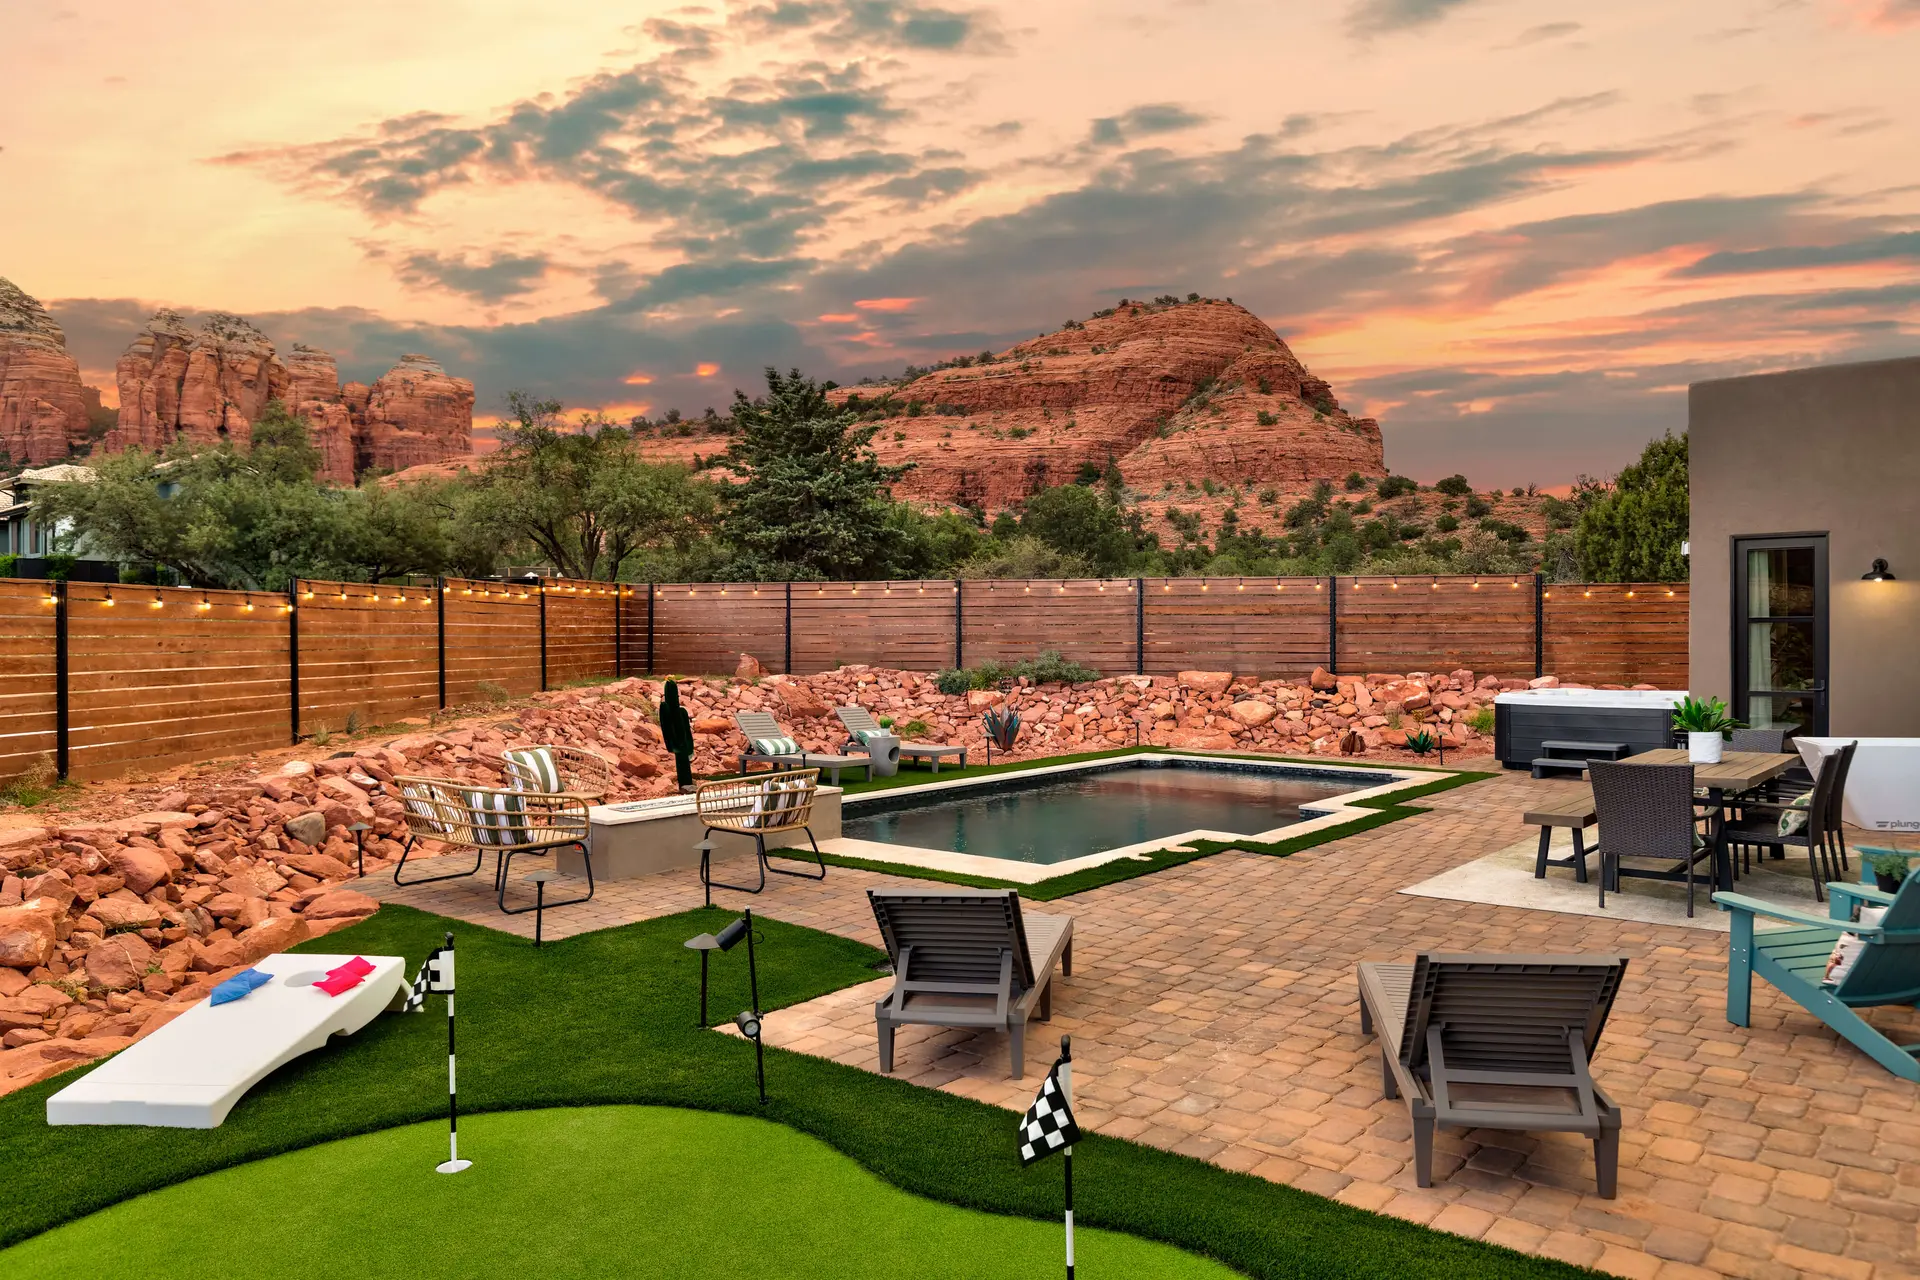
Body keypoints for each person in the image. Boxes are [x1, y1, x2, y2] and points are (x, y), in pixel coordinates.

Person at [660, 679, 695, 791]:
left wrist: (689, 745)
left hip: (683, 745)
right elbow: (667, 727)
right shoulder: (665, 709)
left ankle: (687, 784)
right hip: (676, 744)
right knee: (681, 759)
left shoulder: (682, 712)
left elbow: (687, 733)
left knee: (684, 760)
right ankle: (684, 784)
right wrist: (673, 746)